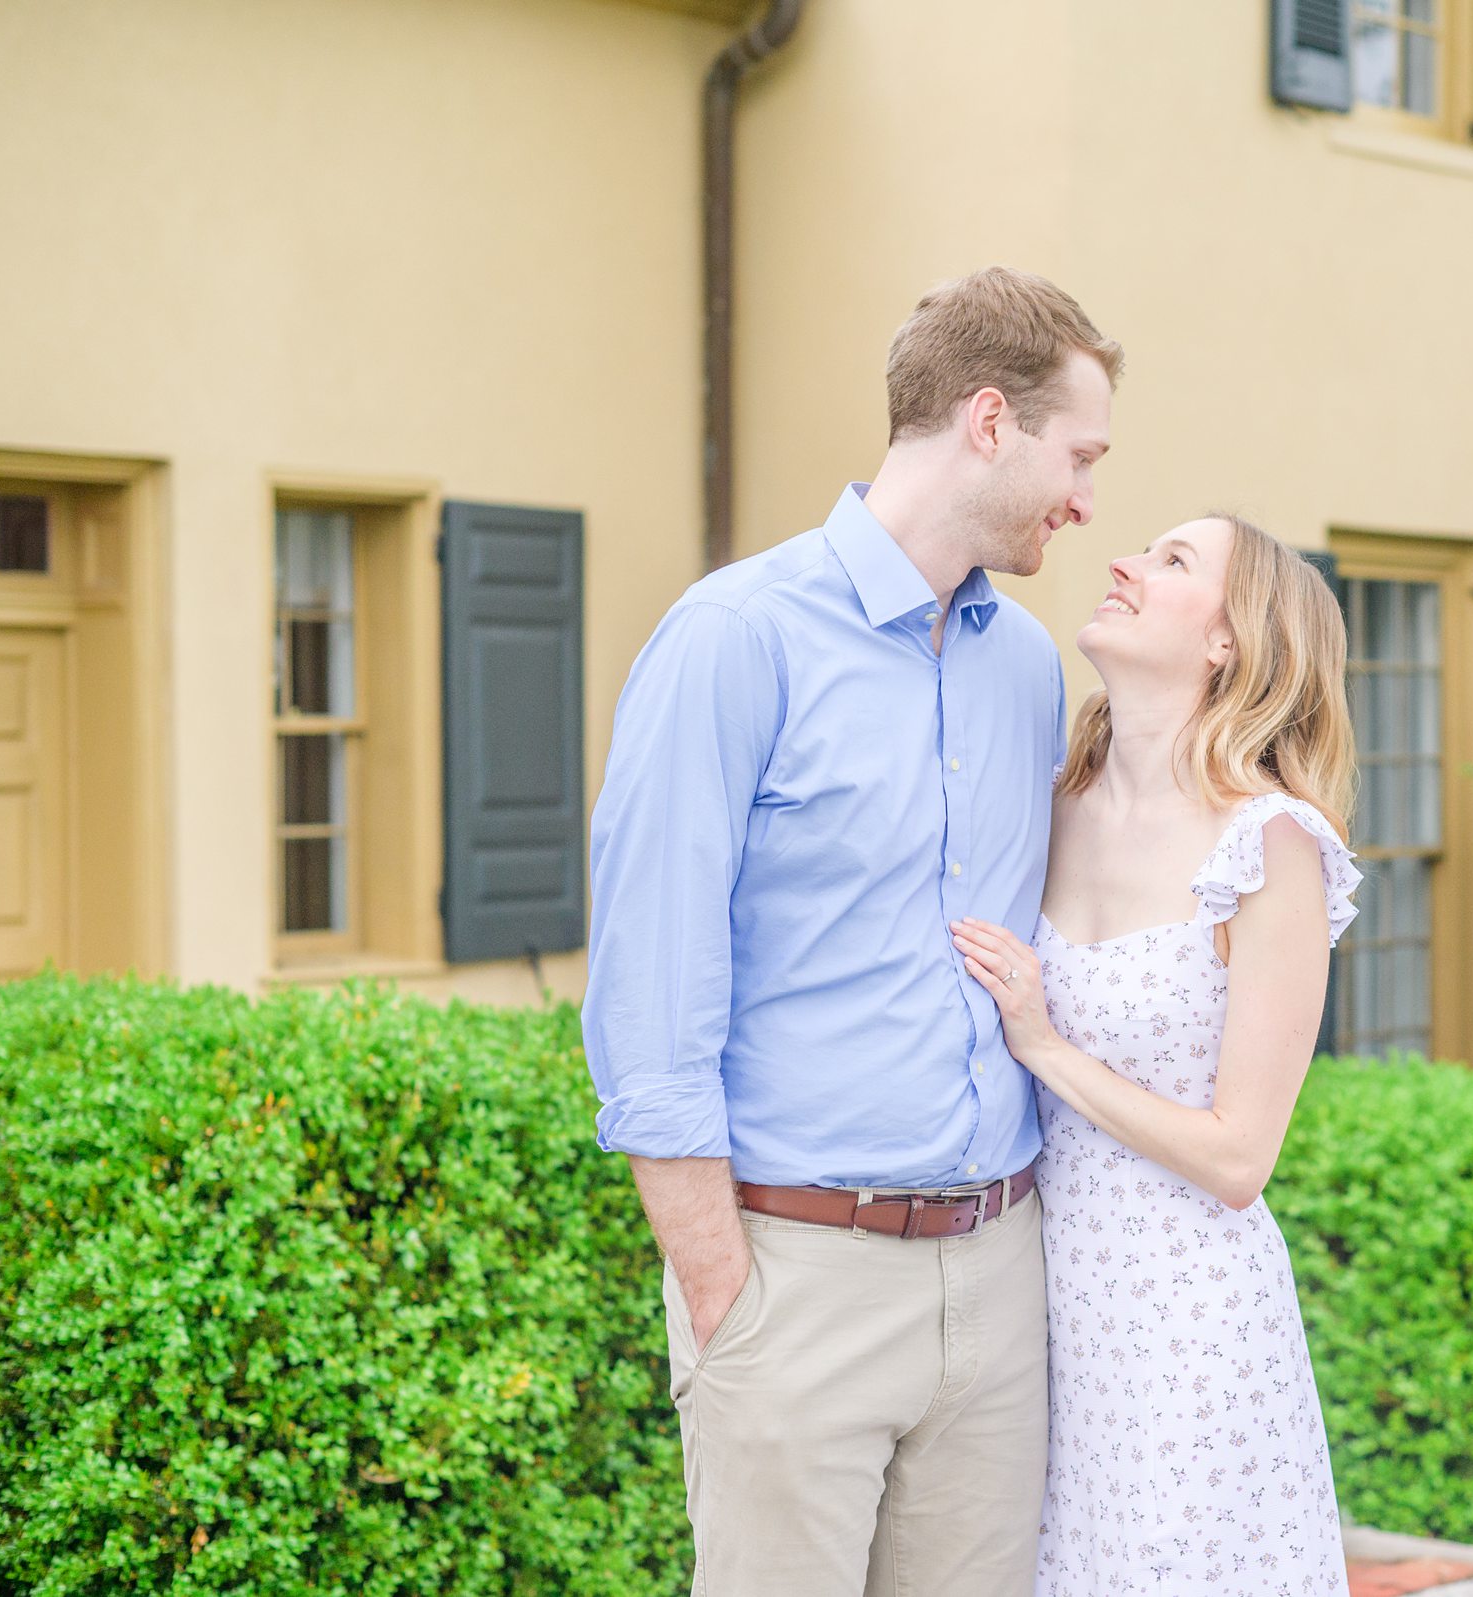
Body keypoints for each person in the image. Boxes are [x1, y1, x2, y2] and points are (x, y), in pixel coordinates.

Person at [582, 265, 1120, 1597]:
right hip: (794, 1279)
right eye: (1080, 455)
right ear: (989, 422)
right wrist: (722, 1288)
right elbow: (649, 987)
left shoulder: (1026, 667)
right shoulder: (733, 639)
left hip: (999, 1281)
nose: (1089, 501)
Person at [951, 512, 1362, 1596]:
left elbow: (1239, 1160)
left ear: (1229, 640)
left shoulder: (1268, 845)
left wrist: (1046, 1046)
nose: (1126, 563)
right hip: (1033, 1306)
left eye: (1173, 561)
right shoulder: (1050, 799)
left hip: (1187, 1331)